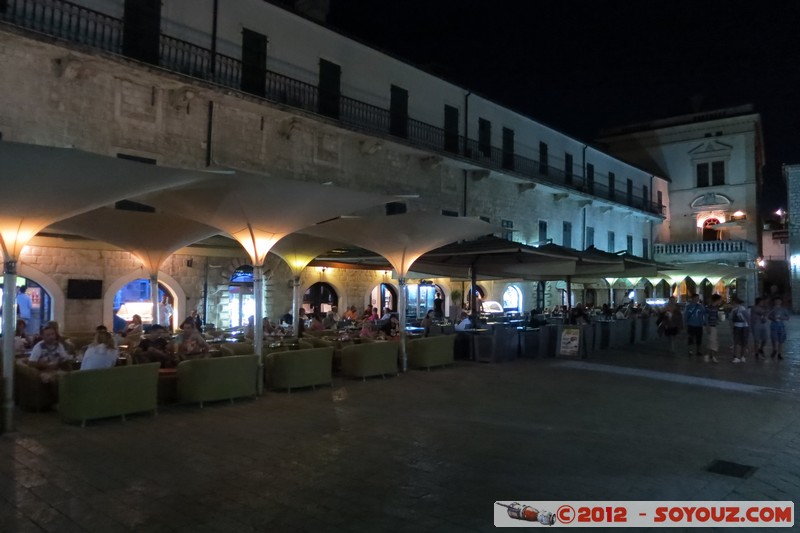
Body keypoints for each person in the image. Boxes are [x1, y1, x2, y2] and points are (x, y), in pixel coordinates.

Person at [729, 297, 750, 363]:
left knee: (738, 342)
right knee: (742, 342)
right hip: (742, 326)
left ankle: (738, 357)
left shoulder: (737, 309)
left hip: (739, 326)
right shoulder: (741, 309)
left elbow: (732, 319)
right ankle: (741, 356)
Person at [704, 294, 723, 363]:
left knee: (712, 341)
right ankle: (709, 355)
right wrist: (707, 326)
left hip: (714, 325)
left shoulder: (715, 308)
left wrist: (717, 320)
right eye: (720, 300)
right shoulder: (709, 308)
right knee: (712, 341)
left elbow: (715, 316)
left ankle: (711, 356)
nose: (720, 301)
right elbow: (706, 317)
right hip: (710, 326)